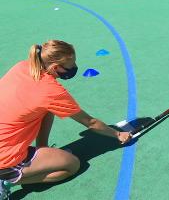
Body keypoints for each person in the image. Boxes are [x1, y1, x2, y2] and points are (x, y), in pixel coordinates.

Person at [0, 40, 131, 200]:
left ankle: (42, 150)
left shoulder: (21, 66)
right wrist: (118, 135)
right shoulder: (51, 91)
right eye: (71, 66)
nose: (74, 67)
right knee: (71, 165)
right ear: (56, 68)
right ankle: (6, 181)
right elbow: (90, 123)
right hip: (5, 157)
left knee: (48, 108)